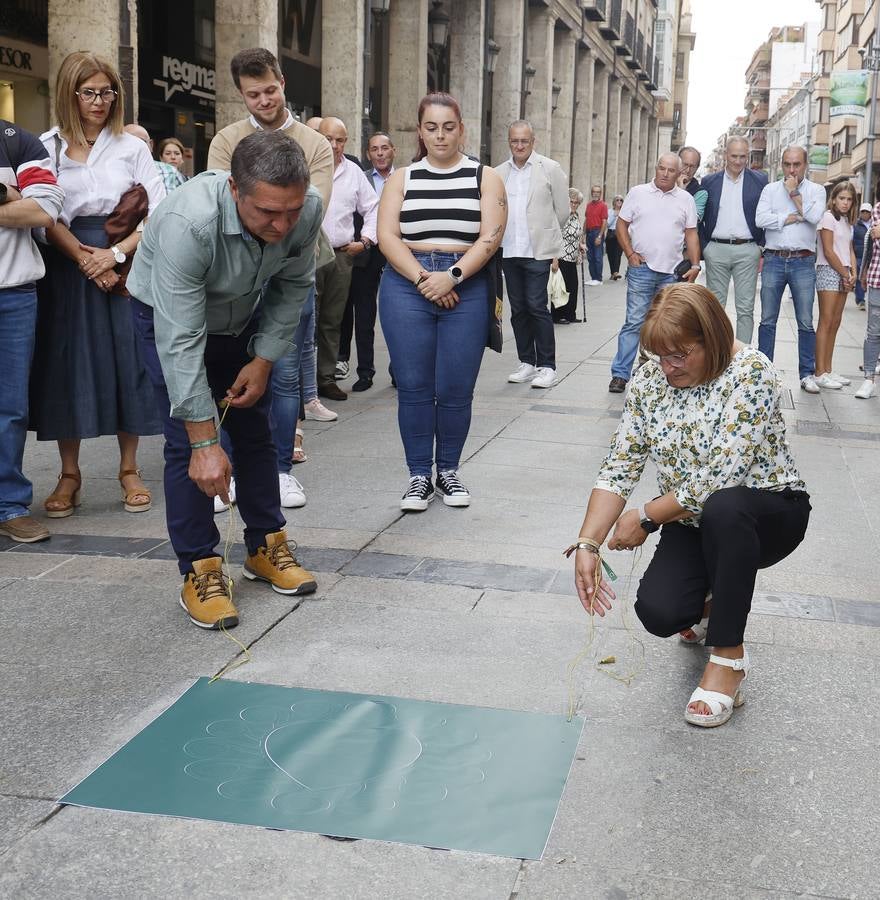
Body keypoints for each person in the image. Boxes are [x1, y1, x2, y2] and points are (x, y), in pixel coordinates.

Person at [572, 283, 810, 728]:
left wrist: (644, 518)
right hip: (691, 519)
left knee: (724, 506)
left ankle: (727, 659)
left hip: (767, 513)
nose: (668, 368)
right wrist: (589, 543)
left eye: (680, 355)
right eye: (659, 356)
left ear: (714, 338)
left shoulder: (751, 372)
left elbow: (721, 476)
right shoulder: (649, 380)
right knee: (659, 612)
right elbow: (619, 464)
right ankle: (709, 599)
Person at [128, 131, 322, 630]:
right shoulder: (187, 222)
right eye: (267, 213)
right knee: (187, 441)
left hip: (242, 315)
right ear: (235, 189)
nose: (282, 225)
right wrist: (204, 440)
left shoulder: (307, 206)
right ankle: (200, 568)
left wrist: (263, 360)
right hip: (167, 317)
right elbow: (181, 338)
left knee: (256, 426)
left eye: (291, 212)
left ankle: (264, 545)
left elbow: (293, 284)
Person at [31, 51, 164, 520]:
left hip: (125, 262)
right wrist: (87, 260)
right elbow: (42, 213)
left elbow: (160, 210)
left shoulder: (132, 147)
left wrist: (115, 254)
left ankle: (130, 469)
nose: (100, 101)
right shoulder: (45, 147)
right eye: (89, 92)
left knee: (128, 360)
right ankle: (70, 473)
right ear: (70, 93)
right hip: (67, 264)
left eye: (108, 92)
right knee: (70, 365)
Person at [206, 48, 335, 512]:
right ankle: (233, 469)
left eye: (270, 90)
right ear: (241, 94)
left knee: (281, 374)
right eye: (253, 94)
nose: (263, 100)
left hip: (291, 269)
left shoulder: (315, 142)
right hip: (234, 274)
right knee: (225, 368)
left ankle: (281, 470)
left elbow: (312, 206)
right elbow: (221, 202)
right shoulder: (226, 139)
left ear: (283, 82)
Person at [377, 92, 507, 511]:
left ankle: (448, 471)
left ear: (461, 128)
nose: (440, 135)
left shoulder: (484, 177)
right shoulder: (402, 177)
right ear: (420, 131)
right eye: (431, 127)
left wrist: (451, 276)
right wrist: (422, 279)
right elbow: (386, 236)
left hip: (465, 283)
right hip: (406, 282)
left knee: (455, 388)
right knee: (413, 387)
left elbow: (491, 235)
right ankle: (418, 476)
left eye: (448, 127)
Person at [0, 120, 64, 543]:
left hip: (13, 294)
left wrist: (22, 200)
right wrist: (10, 197)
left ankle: (9, 504)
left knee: (10, 408)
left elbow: (44, 210)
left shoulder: (16, 140)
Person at [608, 153, 700, 393]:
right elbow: (621, 224)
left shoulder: (686, 200)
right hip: (642, 270)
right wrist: (630, 254)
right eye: (661, 168)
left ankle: (660, 373)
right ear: (656, 168)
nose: (665, 173)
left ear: (679, 174)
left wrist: (696, 265)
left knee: (666, 325)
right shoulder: (638, 193)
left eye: (671, 170)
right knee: (634, 322)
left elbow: (691, 234)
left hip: (671, 273)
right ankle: (620, 374)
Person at [496, 120, 569, 389]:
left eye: (524, 141)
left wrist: (547, 235)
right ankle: (526, 362)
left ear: (533, 142)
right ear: (509, 142)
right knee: (518, 309)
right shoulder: (498, 172)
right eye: (514, 141)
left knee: (537, 306)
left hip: (537, 251)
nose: (519, 146)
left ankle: (547, 366)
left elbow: (562, 210)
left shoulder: (549, 168)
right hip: (509, 250)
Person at [313, 116, 378, 401]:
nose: (334, 145)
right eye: (328, 138)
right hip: (307, 255)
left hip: (341, 256)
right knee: (304, 322)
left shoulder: (354, 173)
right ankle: (299, 385)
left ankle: (325, 379)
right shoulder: (306, 166)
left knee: (332, 321)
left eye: (340, 140)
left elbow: (373, 208)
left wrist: (364, 241)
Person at [755, 146, 825, 394]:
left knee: (805, 322)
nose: (791, 169)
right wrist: (790, 216)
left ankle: (807, 374)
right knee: (767, 320)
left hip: (803, 262)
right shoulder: (769, 190)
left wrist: (794, 193)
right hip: (774, 259)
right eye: (787, 164)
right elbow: (760, 220)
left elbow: (815, 216)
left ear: (805, 165)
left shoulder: (817, 190)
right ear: (782, 165)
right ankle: (764, 374)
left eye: (796, 164)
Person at [337, 131, 396, 391]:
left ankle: (399, 370)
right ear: (368, 154)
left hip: (398, 253)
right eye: (374, 149)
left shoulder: (405, 179)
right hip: (366, 255)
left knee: (398, 315)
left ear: (393, 150)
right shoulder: (360, 178)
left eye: (384, 148)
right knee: (363, 315)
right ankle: (365, 372)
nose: (380, 153)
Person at [700, 136, 768, 343]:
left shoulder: (760, 180)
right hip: (716, 249)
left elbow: (767, 212)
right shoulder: (709, 182)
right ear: (725, 156)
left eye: (743, 156)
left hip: (747, 250)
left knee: (745, 308)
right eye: (734, 156)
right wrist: (706, 247)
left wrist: (760, 248)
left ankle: (743, 358)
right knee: (715, 307)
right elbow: (698, 215)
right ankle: (716, 353)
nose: (738, 161)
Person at [813, 182, 856, 391]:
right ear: (834, 199)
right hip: (829, 270)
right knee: (826, 321)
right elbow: (829, 251)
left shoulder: (848, 222)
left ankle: (829, 369)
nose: (845, 203)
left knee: (836, 322)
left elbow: (849, 249)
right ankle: (819, 372)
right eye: (842, 198)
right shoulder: (827, 218)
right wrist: (845, 273)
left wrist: (853, 272)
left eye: (849, 199)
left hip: (845, 272)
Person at [551, 188, 586, 325]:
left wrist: (580, 246)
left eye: (577, 203)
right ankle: (558, 316)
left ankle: (570, 314)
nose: (574, 205)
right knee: (560, 287)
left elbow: (577, 235)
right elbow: (555, 236)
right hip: (561, 256)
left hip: (572, 257)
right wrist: (554, 258)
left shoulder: (576, 216)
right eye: (572, 202)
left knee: (572, 286)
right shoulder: (561, 216)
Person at [857, 206, 880, 398]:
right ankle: (869, 379)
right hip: (878, 278)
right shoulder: (878, 209)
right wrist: (863, 270)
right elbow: (872, 243)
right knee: (873, 331)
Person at [124, 124, 185, 193]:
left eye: (141, 142)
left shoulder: (170, 172)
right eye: (128, 142)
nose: (173, 157)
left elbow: (184, 201)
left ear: (151, 144)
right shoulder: (111, 171)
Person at [583, 185, 607, 285]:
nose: (595, 194)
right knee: (590, 257)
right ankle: (593, 278)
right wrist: (583, 234)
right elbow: (586, 220)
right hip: (589, 232)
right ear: (591, 193)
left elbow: (604, 221)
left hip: (597, 232)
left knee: (597, 257)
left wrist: (600, 236)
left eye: (598, 192)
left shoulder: (603, 205)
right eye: (594, 192)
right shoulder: (588, 205)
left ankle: (599, 279)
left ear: (600, 194)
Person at [678, 146, 707, 221]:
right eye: (685, 164)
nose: (687, 170)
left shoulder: (700, 193)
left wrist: (681, 191)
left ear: (697, 168)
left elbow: (692, 221)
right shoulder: (665, 184)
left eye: (692, 166)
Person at [853, 202, 871, 310]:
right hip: (859, 256)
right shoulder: (855, 225)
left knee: (868, 278)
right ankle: (860, 300)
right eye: (863, 211)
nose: (865, 214)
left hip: (871, 257)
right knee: (860, 277)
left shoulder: (874, 224)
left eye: (867, 212)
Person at [605, 195, 624, 280]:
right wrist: (614, 215)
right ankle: (613, 273)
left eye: (621, 200)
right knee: (611, 254)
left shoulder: (625, 212)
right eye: (617, 200)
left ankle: (616, 272)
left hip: (621, 234)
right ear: (614, 202)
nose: (619, 201)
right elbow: (607, 224)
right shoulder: (609, 212)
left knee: (618, 254)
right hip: (611, 234)